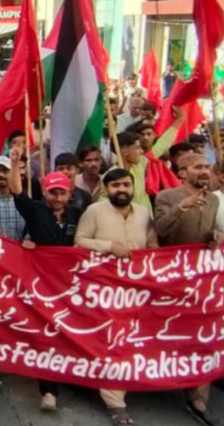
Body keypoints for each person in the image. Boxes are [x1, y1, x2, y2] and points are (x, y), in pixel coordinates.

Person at [75, 168, 157, 426]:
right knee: (112, 341)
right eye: (115, 186)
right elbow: (79, 241)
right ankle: (115, 402)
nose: (122, 190)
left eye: (126, 185)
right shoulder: (94, 211)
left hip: (137, 289)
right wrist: (109, 247)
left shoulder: (144, 212)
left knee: (132, 340)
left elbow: (153, 244)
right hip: (103, 289)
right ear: (105, 189)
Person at [154, 153, 224, 426]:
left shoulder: (214, 199)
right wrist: (182, 208)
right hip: (170, 278)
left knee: (202, 335)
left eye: (207, 167)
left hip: (201, 279)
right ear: (182, 172)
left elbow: (209, 231)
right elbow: (160, 229)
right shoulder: (166, 196)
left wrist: (216, 236)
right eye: (198, 167)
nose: (205, 171)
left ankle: (198, 400)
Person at [8, 148, 82, 411]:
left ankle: (74, 376)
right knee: (45, 336)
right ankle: (48, 391)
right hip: (40, 285)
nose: (58, 198)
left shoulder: (78, 214)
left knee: (71, 333)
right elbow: (17, 191)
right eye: (53, 193)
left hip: (72, 286)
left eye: (62, 193)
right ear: (45, 192)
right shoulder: (37, 210)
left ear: (69, 193)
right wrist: (15, 163)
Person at [0, 156, 26, 241]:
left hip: (20, 252)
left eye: (5, 170)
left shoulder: (24, 199)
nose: (1, 174)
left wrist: (28, 238)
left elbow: (32, 226)